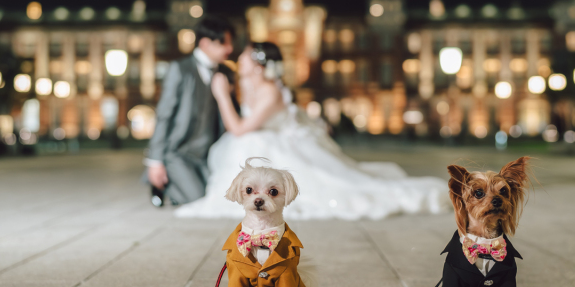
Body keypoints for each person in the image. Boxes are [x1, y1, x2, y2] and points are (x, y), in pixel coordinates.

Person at [173, 42, 451, 220]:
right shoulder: (254, 86)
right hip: (276, 139)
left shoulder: (269, 90)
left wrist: (221, 96)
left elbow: (239, 128)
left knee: (252, 144)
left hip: (277, 143)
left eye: (244, 57)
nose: (239, 61)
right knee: (251, 144)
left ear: (257, 65)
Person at [143, 16, 235, 206]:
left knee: (218, 197)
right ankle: (161, 182)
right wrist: (155, 161)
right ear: (205, 43)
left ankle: (176, 185)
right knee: (198, 200)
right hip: (178, 152)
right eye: (224, 43)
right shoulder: (179, 69)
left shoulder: (225, 73)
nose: (230, 49)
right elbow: (164, 115)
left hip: (206, 155)